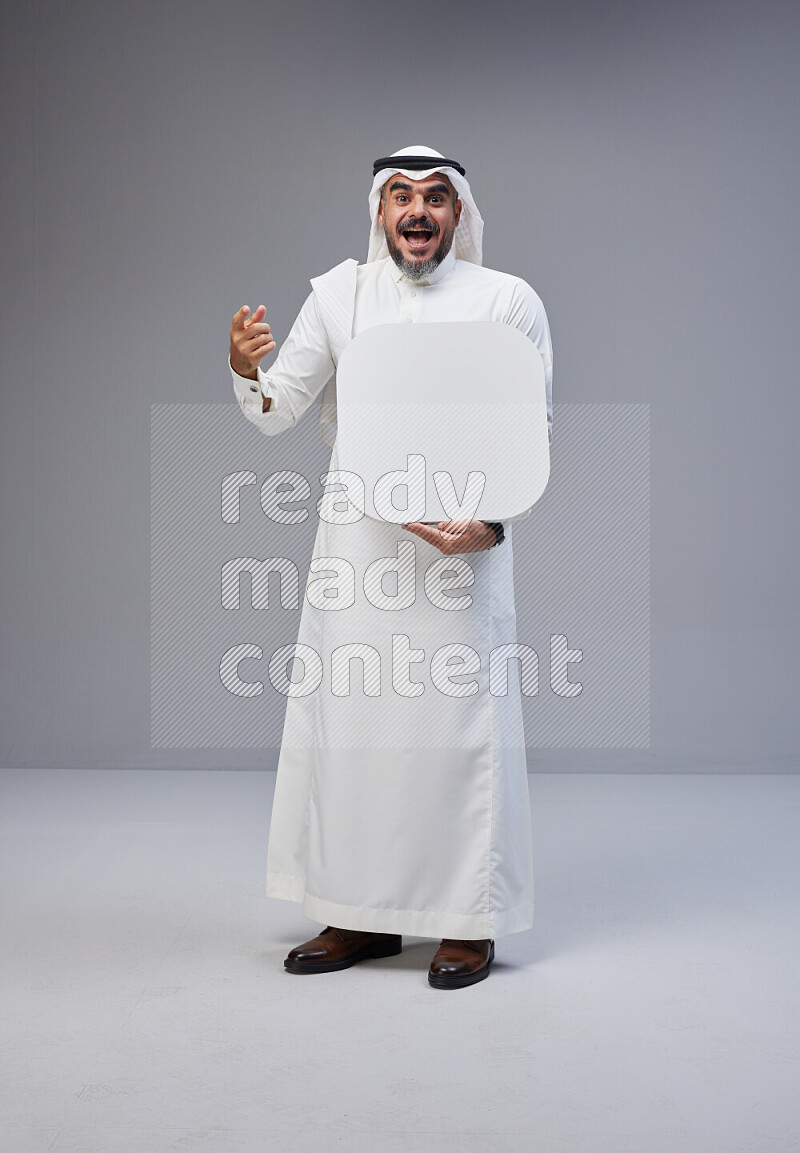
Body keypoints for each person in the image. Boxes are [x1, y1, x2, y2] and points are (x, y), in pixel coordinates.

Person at [228, 146, 553, 989]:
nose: (417, 211)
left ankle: (466, 922)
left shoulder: (507, 301)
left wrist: (487, 526)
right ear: (379, 211)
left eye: (436, 198)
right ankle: (357, 913)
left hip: (458, 552)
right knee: (357, 731)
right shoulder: (339, 296)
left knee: (454, 735)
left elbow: (533, 428)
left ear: (459, 215)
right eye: (401, 196)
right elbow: (277, 410)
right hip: (359, 547)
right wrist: (243, 367)